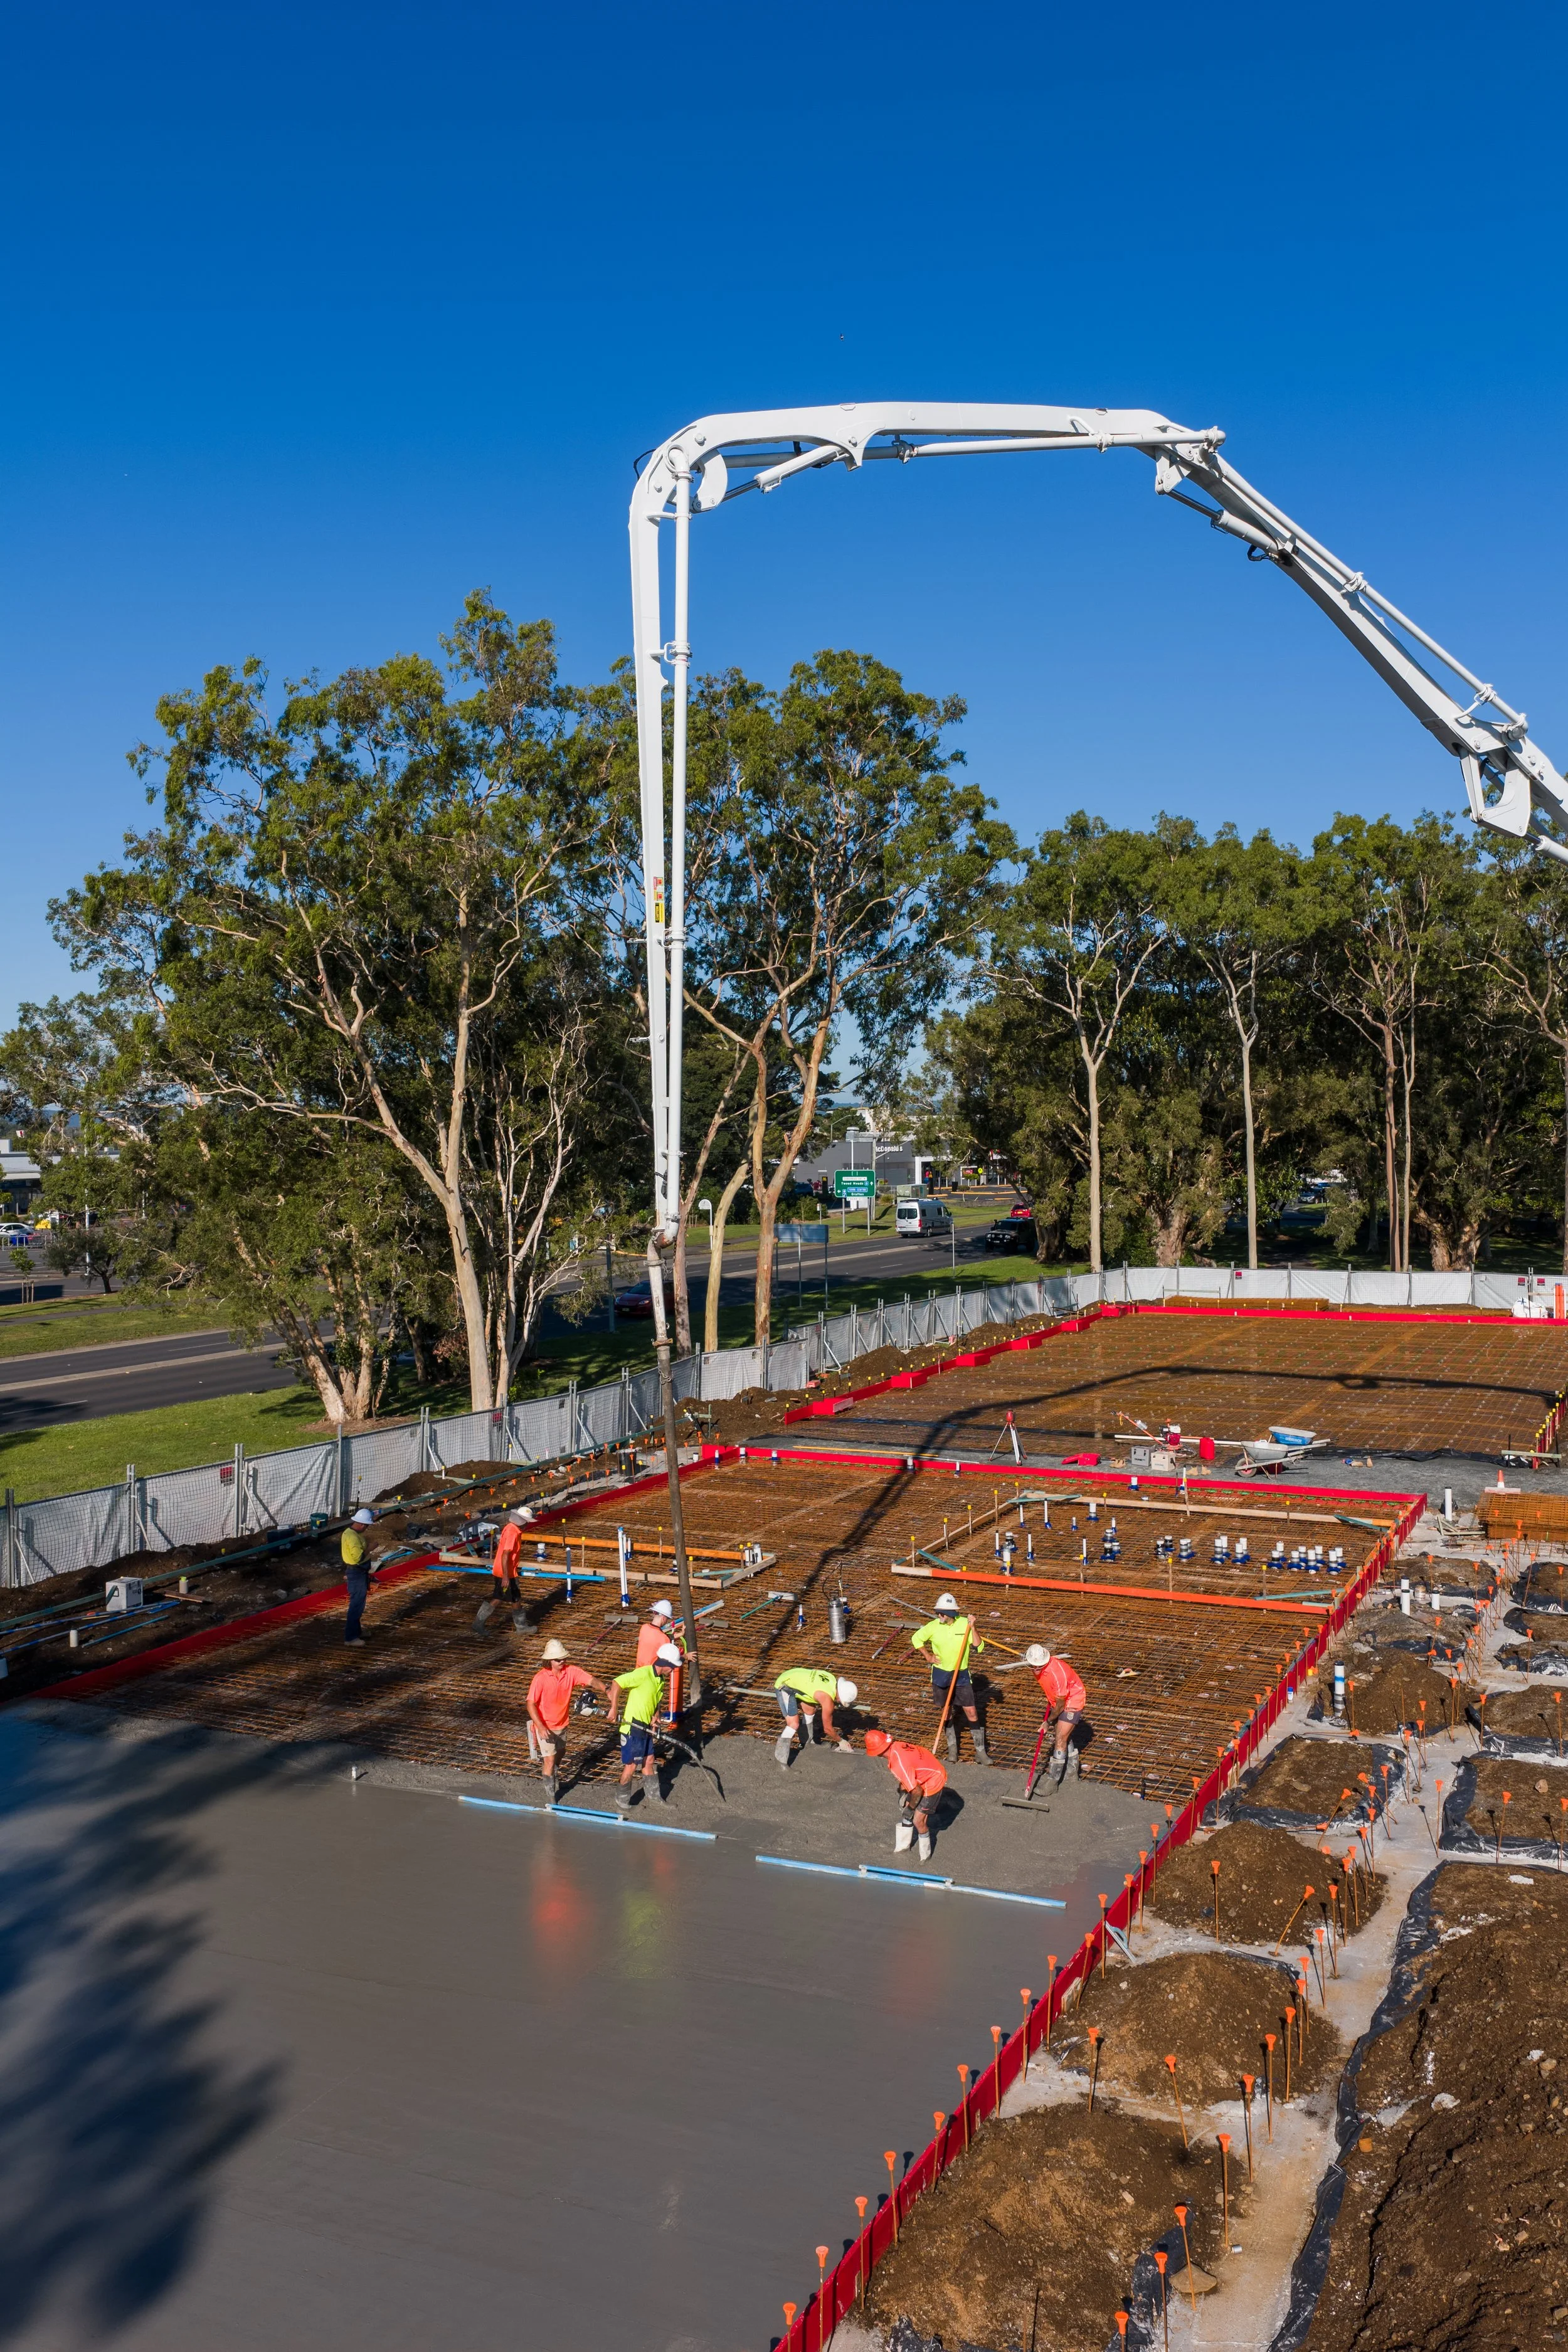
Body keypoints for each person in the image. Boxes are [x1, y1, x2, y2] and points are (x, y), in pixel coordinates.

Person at [909, 1593, 991, 1763]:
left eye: (942, 1614)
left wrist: (973, 1627)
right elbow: (916, 1638)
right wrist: (928, 1656)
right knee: (946, 1712)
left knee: (972, 1712)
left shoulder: (964, 1624)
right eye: (938, 1613)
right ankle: (953, 1749)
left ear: (952, 1614)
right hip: (941, 1675)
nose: (939, 1616)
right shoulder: (933, 1626)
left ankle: (980, 1751)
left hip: (961, 1674)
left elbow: (978, 1646)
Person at [526, 1638, 608, 1804]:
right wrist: (540, 1727)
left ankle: (551, 1773)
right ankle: (551, 1798)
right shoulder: (540, 1678)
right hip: (546, 1726)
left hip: (562, 1724)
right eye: (558, 1659)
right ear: (550, 1661)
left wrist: (606, 1689)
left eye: (563, 1658)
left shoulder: (571, 1672)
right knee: (549, 1760)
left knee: (560, 1753)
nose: (562, 1661)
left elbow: (591, 1680)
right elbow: (531, 1704)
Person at [608, 1641, 681, 1808]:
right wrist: (614, 1708)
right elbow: (617, 1682)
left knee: (649, 1761)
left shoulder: (660, 1680)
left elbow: (656, 1700)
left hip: (646, 1728)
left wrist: (656, 1716)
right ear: (666, 1664)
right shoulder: (643, 1674)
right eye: (673, 1667)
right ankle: (622, 1801)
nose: (673, 1670)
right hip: (632, 1728)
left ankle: (655, 1799)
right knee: (631, 1766)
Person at [864, 1727, 946, 1862]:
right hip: (926, 1771)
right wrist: (904, 1793)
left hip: (933, 1779)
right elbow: (908, 1775)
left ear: (877, 1752)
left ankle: (925, 1856)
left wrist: (911, 1808)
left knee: (918, 1820)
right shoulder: (896, 1747)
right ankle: (903, 1847)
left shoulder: (898, 1763)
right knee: (906, 1811)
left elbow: (917, 1790)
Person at [1025, 1644, 1087, 1784]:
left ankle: (1053, 1782)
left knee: (1060, 1737)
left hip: (1072, 1700)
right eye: (1033, 1665)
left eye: (1039, 1666)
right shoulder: (1038, 1667)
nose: (1035, 1669)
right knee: (1064, 1735)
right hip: (1059, 1700)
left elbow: (1061, 1705)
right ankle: (1071, 1774)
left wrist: (1048, 1721)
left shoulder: (1056, 1673)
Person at [772, 1669, 859, 1766]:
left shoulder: (831, 1678)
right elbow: (828, 1729)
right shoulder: (827, 1700)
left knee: (810, 1710)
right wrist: (841, 1741)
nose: (839, 1702)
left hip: (793, 1677)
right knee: (793, 1724)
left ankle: (807, 1744)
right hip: (784, 1685)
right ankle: (781, 1763)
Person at [341, 1507, 377, 1646]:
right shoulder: (353, 1537)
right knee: (356, 1605)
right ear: (362, 1524)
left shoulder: (349, 1533)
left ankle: (357, 1632)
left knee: (358, 1603)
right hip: (357, 1573)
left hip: (356, 1572)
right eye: (367, 1526)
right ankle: (351, 1638)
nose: (367, 1528)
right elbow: (358, 1557)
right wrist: (370, 1548)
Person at [491, 1509, 526, 1604]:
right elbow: (505, 1554)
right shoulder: (513, 1533)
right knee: (498, 1598)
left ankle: (520, 1619)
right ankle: (479, 1619)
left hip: (509, 1571)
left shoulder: (510, 1527)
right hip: (505, 1572)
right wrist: (505, 1576)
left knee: (516, 1599)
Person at [635, 1597, 677, 1666]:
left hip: (639, 1671)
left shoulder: (644, 1628)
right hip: (652, 1675)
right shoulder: (663, 1638)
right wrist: (686, 1656)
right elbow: (670, 1661)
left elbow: (655, 1639)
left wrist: (679, 1635)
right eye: (667, 1619)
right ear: (664, 1618)